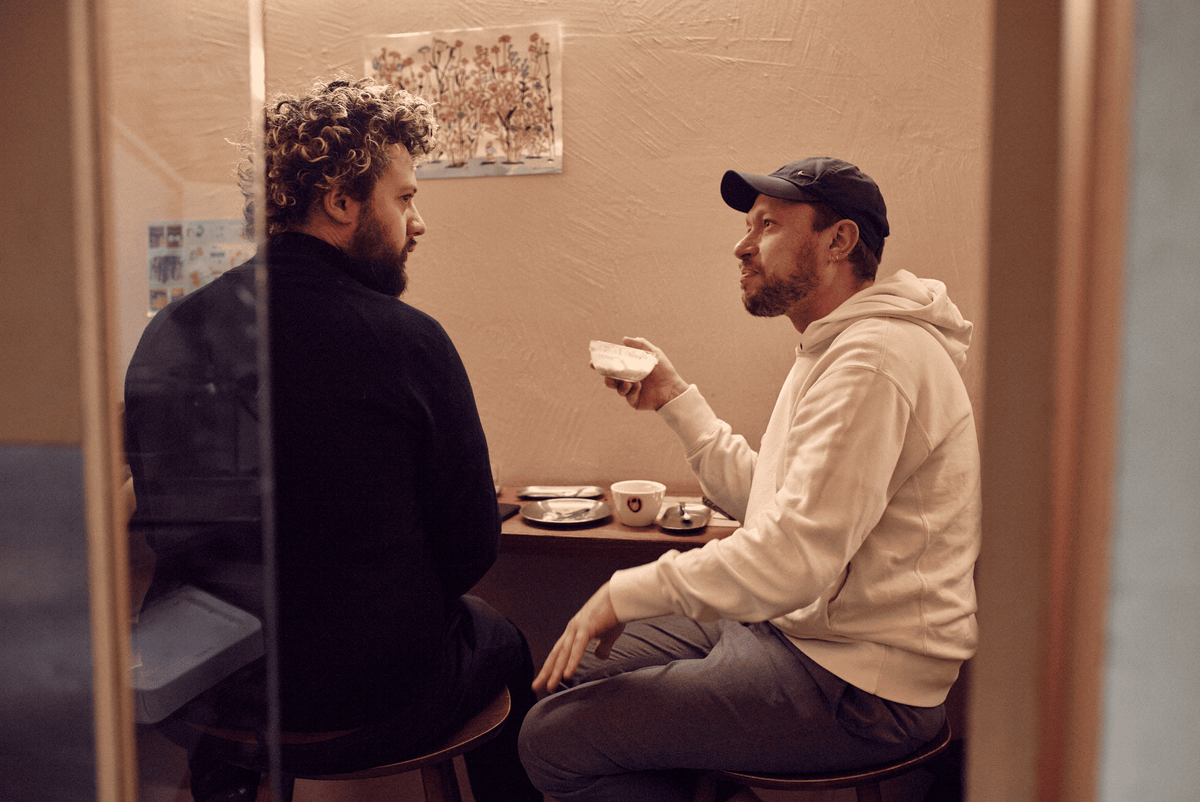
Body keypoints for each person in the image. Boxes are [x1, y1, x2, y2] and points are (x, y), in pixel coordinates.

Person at [124, 77, 541, 802]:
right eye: (405, 198)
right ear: (342, 202)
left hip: (204, 689)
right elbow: (472, 548)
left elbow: (168, 526)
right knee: (502, 639)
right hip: (361, 704)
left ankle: (230, 783)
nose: (418, 223)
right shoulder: (409, 342)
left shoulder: (170, 331)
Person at [518, 157, 981, 802]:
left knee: (552, 739)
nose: (741, 245)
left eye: (765, 225)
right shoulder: (836, 346)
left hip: (859, 688)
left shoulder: (875, 360)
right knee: (569, 678)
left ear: (839, 241)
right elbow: (777, 511)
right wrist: (676, 400)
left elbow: (794, 555)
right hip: (796, 633)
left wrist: (628, 590)